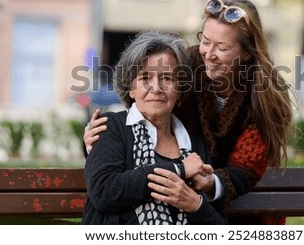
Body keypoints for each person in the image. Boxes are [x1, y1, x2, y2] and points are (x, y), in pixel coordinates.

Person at [84, 0, 295, 224]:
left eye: (222, 47)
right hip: (178, 173)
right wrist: (98, 141)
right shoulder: (186, 64)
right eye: (205, 41)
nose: (209, 54)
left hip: (220, 193)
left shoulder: (266, 96)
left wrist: (211, 182)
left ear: (246, 53)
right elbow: (142, 113)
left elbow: (246, 169)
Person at [82, 30, 226, 225]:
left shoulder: (196, 146)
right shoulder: (111, 127)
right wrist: (179, 169)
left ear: (179, 89)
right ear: (131, 89)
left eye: (166, 78)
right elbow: (105, 190)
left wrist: (195, 205)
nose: (156, 87)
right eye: (145, 78)